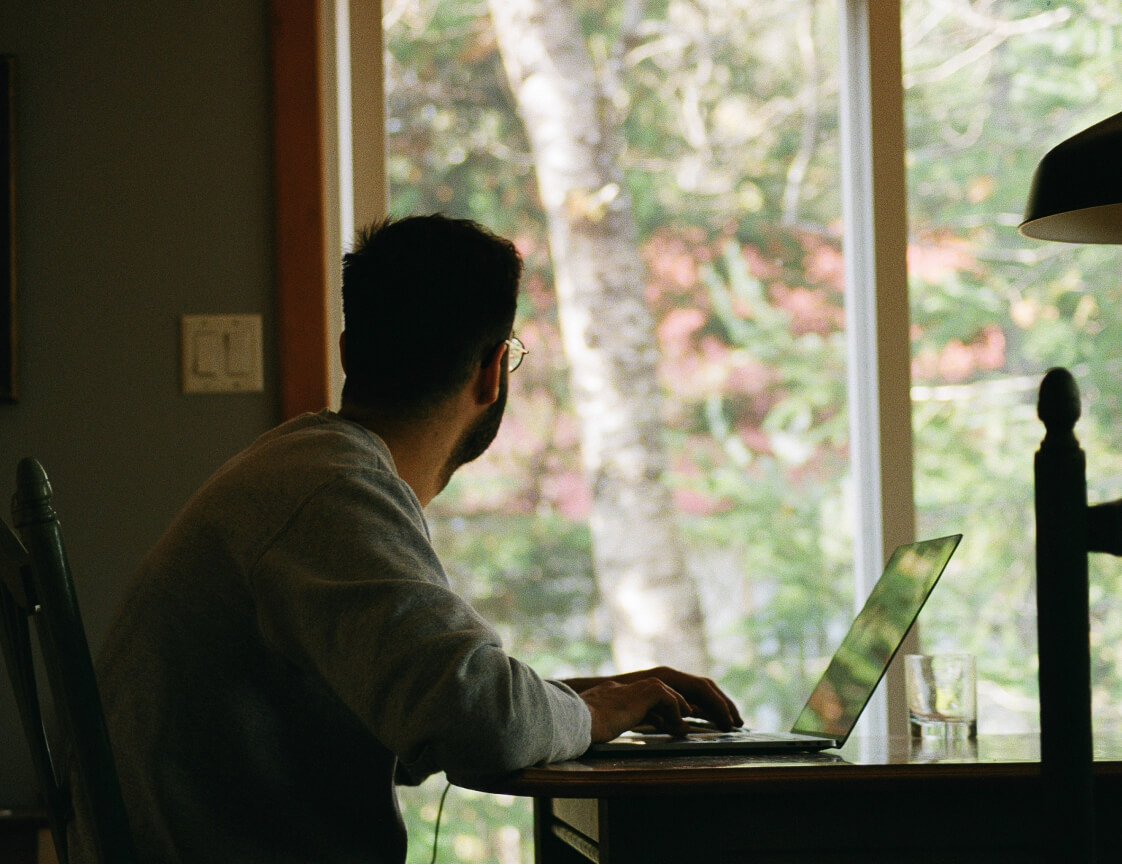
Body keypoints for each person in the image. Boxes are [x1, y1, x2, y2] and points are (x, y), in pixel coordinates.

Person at [73, 214, 742, 862]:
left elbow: (436, 700)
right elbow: (481, 720)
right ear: (493, 372)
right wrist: (590, 716)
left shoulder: (303, 470)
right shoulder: (330, 490)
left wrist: (583, 701)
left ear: (346, 351)